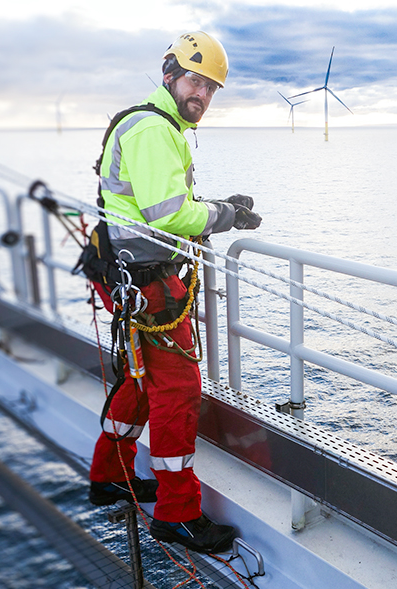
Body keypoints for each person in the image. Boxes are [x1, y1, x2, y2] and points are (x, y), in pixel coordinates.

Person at [87, 31, 261, 555]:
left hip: (130, 274)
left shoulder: (155, 127)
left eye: (210, 87)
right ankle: (178, 514)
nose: (201, 94)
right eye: (194, 80)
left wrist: (210, 204)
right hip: (147, 283)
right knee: (179, 389)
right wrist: (225, 215)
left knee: (141, 382)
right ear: (169, 75)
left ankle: (110, 476)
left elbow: (159, 202)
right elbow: (169, 215)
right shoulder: (152, 130)